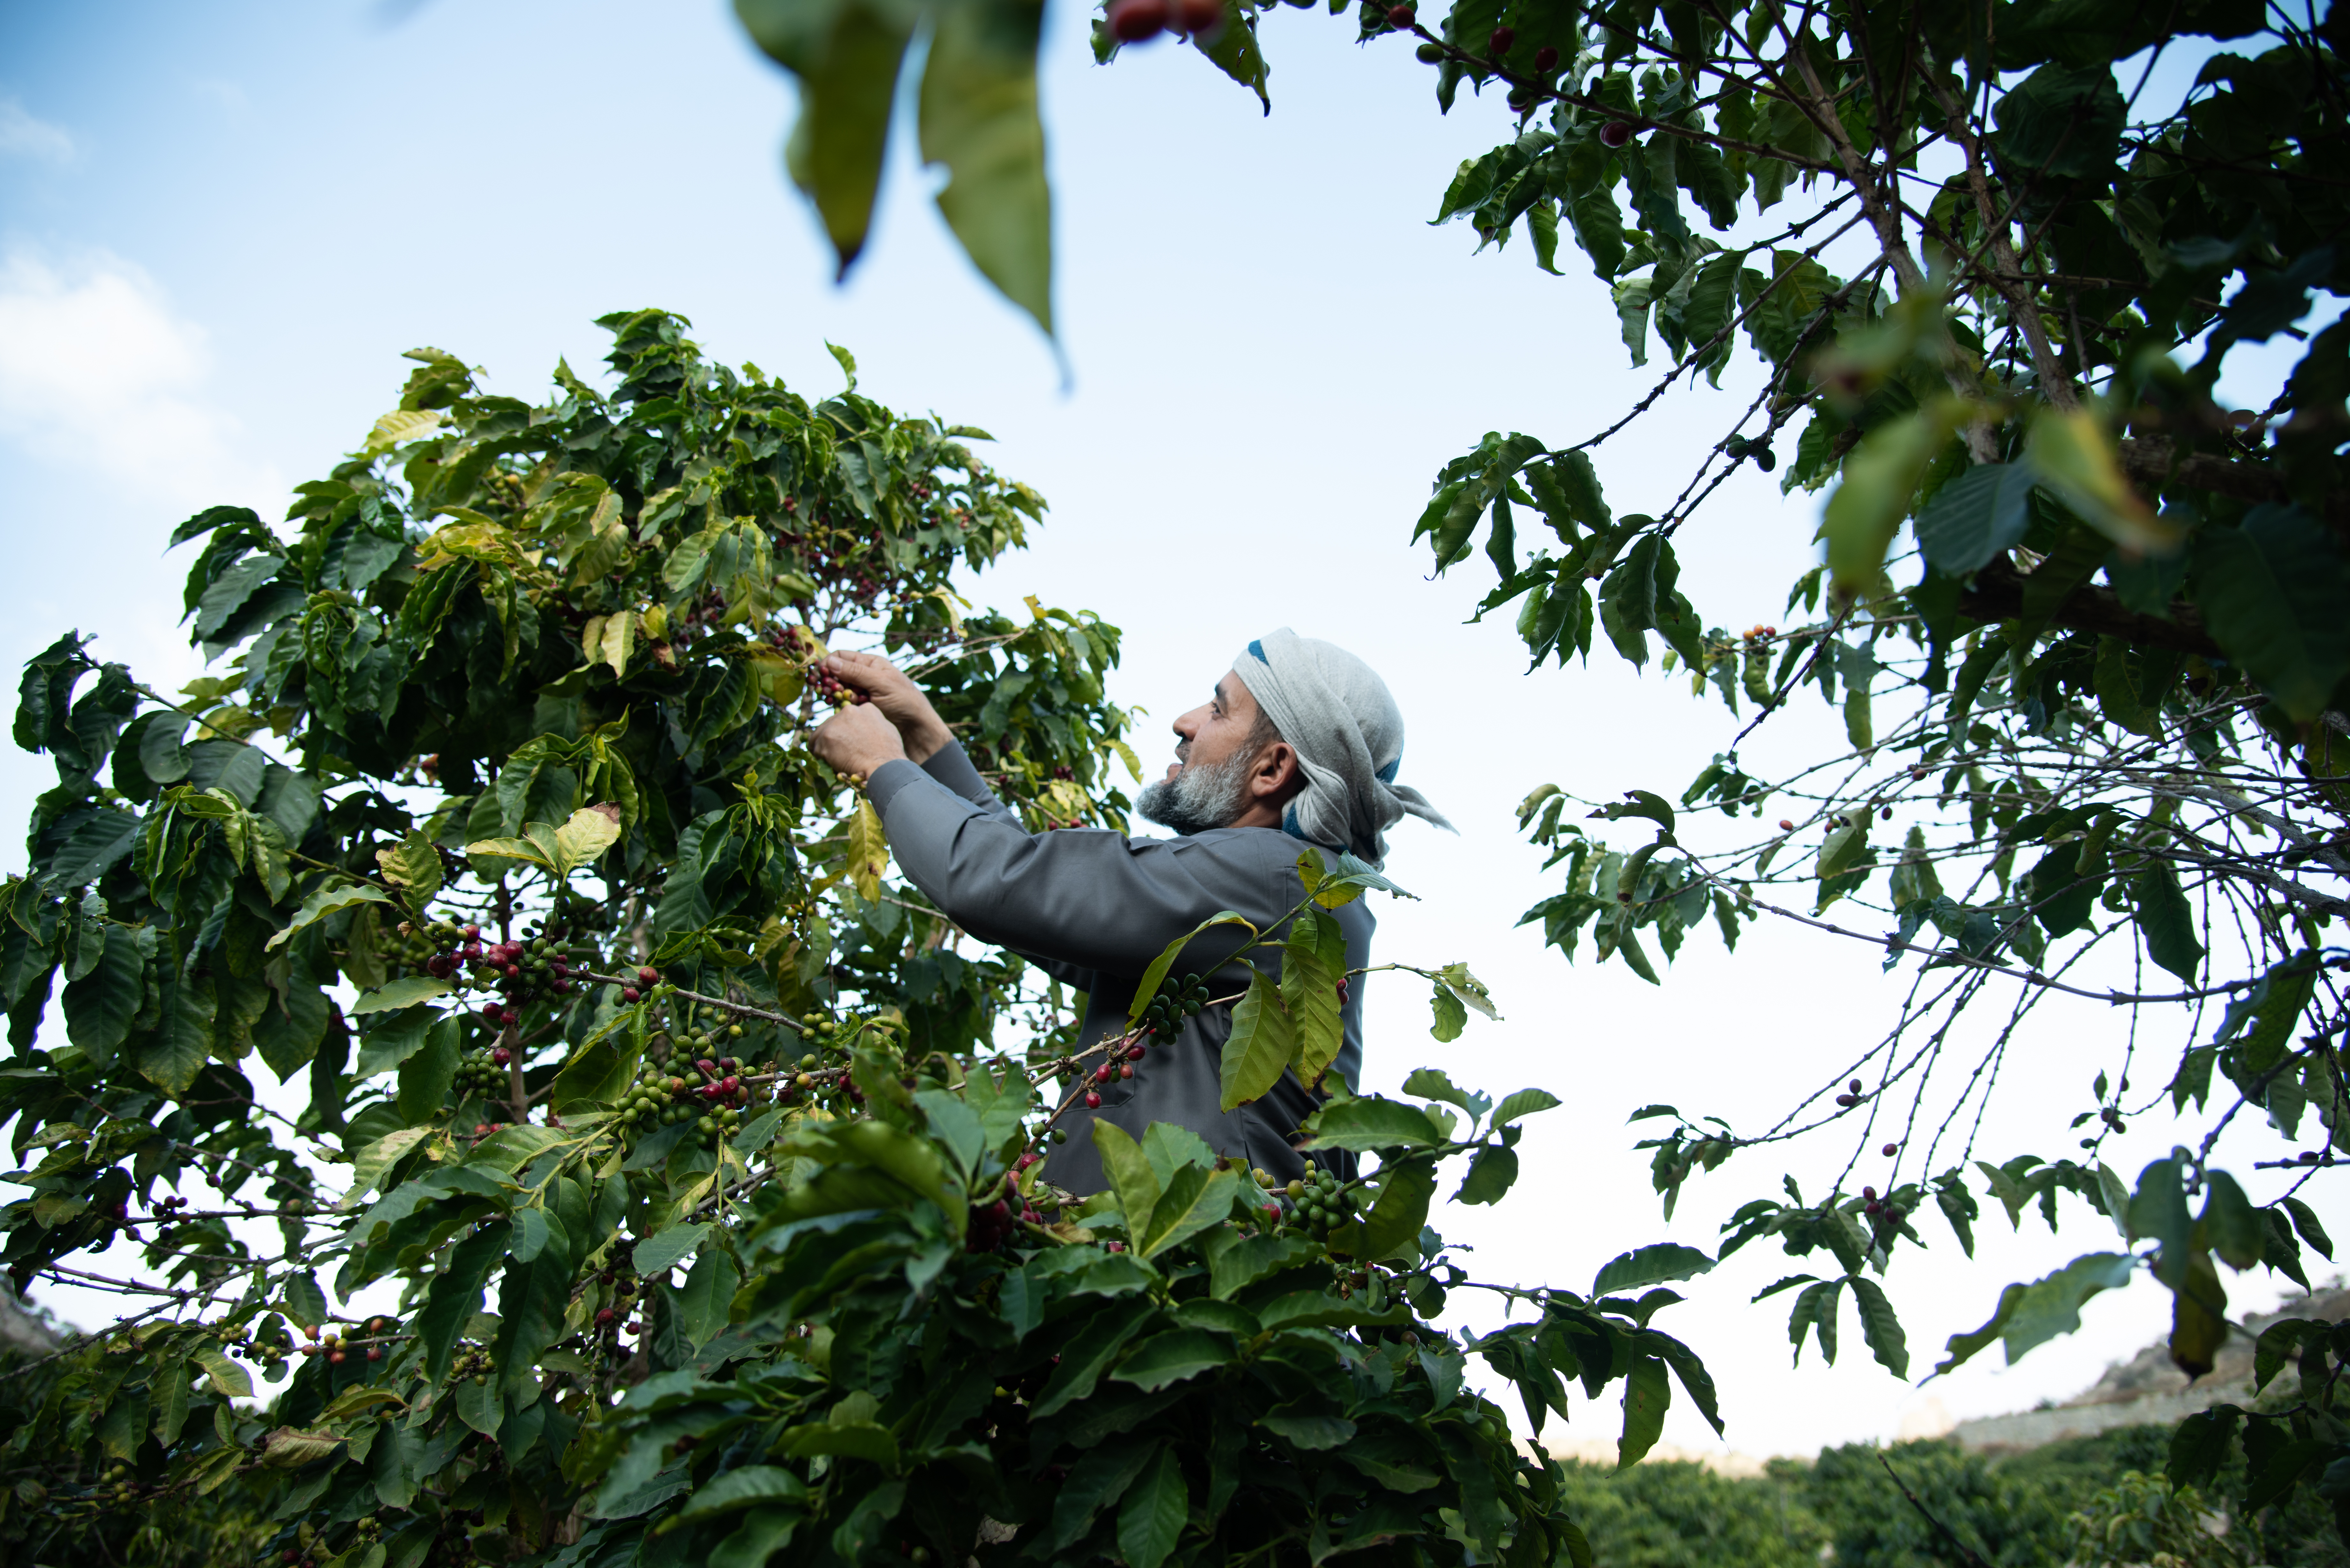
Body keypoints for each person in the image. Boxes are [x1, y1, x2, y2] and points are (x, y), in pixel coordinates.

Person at [807, 629, 1451, 1194]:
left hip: (1181, 1284)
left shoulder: (1277, 876)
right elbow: (1047, 910)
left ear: (1271, 767)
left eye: (1219, 708)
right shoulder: (1279, 883)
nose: (1184, 720)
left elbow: (1003, 880)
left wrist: (881, 765)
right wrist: (926, 736)